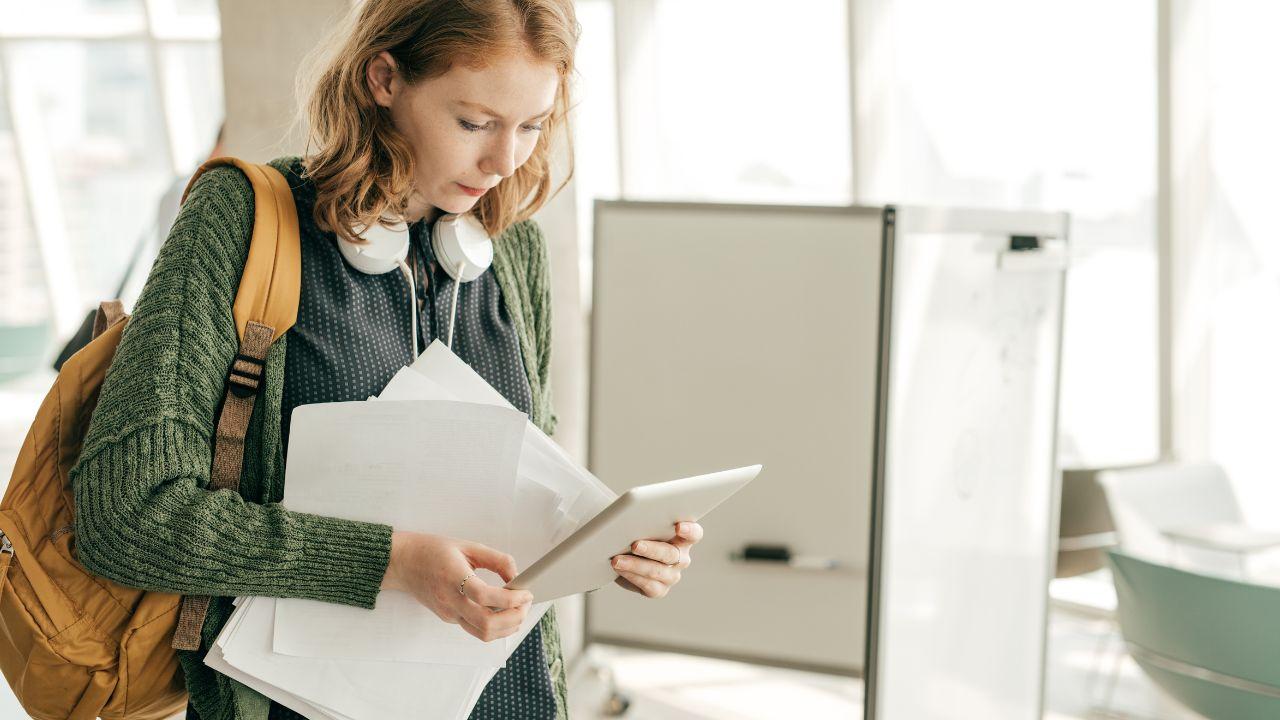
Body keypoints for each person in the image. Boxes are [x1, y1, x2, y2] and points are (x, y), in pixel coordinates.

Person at [68, 1, 704, 719]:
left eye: (531, 126)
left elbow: (521, 499)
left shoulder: (512, 251)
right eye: (474, 123)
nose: (505, 161)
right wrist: (390, 563)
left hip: (512, 698)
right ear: (383, 79)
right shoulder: (243, 220)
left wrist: (604, 544)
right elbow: (125, 517)